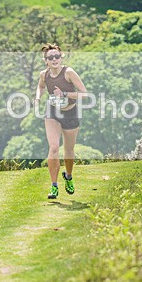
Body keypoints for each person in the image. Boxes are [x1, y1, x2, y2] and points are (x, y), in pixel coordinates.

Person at [34, 43, 87, 200]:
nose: (54, 59)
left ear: (61, 57)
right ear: (46, 61)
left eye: (57, 56)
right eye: (50, 57)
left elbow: (84, 94)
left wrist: (64, 93)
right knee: (54, 148)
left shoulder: (69, 72)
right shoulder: (44, 74)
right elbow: (41, 87)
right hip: (53, 112)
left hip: (70, 113)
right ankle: (54, 186)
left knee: (69, 151)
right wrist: (38, 97)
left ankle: (68, 176)